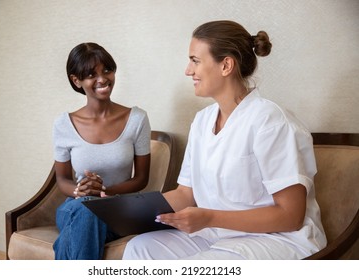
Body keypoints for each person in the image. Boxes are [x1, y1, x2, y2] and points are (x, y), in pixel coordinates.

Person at [123, 20, 327, 260]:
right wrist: (127, 209)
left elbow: (290, 216)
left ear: (226, 65)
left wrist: (209, 217)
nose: (188, 71)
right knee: (140, 248)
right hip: (218, 234)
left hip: (277, 239)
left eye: (195, 61)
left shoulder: (271, 122)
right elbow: (185, 195)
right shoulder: (201, 121)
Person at [52, 42, 151, 259]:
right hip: (75, 206)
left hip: (119, 209)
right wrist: (81, 191)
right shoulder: (63, 124)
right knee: (86, 209)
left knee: (72, 235)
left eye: (107, 70)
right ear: (76, 80)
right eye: (91, 74)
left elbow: (142, 178)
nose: (102, 79)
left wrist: (106, 190)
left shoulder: (137, 119)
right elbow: (62, 180)